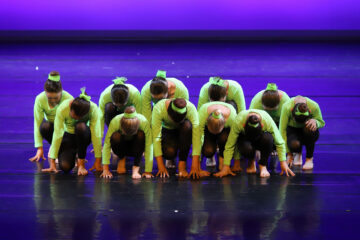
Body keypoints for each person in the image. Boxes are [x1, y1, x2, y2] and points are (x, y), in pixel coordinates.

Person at [215, 109, 295, 178]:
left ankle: (263, 165)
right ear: (243, 125)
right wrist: (226, 166)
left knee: (268, 138)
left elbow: (279, 142)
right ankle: (251, 161)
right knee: (246, 148)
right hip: (246, 139)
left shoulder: (267, 121)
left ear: (262, 125)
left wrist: (283, 163)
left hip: (260, 139)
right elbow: (230, 145)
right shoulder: (239, 121)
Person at [42, 88, 102, 175]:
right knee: (65, 167)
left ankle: (80, 158)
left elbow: (96, 135)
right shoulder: (63, 108)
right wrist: (52, 163)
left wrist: (97, 161)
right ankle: (68, 153)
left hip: (83, 136)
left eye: (79, 117)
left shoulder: (93, 109)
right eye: (74, 116)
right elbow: (57, 134)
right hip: (68, 136)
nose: (76, 119)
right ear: (70, 106)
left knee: (80, 126)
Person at [29, 71, 73, 171]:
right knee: (44, 126)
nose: (53, 101)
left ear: (61, 92)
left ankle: (69, 151)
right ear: (45, 93)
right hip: (53, 130)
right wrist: (39, 148)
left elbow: (73, 125)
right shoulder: (40, 99)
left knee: (66, 166)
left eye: (56, 98)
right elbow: (37, 123)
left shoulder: (69, 99)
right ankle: (57, 149)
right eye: (49, 98)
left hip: (67, 131)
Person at [151, 98, 200, 178]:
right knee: (169, 153)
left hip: (183, 132)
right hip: (168, 131)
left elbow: (196, 137)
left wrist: (195, 167)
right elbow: (156, 138)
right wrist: (161, 167)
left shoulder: (191, 108)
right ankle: (170, 157)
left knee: (187, 126)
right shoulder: (158, 108)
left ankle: (182, 163)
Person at [100, 106, 153, 179]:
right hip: (121, 146)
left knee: (141, 135)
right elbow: (107, 144)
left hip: (136, 147)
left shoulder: (143, 122)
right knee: (115, 136)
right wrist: (105, 170)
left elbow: (149, 145)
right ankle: (121, 158)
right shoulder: (116, 121)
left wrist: (148, 171)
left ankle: (136, 167)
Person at [190, 101, 239, 179]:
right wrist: (196, 166)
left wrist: (226, 167)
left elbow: (232, 143)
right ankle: (211, 155)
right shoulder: (202, 114)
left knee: (224, 138)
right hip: (208, 132)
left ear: (225, 122)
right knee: (208, 151)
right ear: (207, 119)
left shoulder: (232, 118)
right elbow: (198, 139)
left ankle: (222, 161)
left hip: (224, 132)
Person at [249, 83, 290, 173]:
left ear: (279, 102)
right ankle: (260, 147)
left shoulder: (286, 101)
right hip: (262, 124)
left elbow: (285, 127)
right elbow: (251, 126)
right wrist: (255, 148)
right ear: (262, 103)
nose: (270, 111)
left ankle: (274, 148)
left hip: (278, 123)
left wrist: (285, 153)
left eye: (273, 110)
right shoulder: (256, 101)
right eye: (267, 109)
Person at [279, 96, 325, 170]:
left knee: (310, 128)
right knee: (294, 143)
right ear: (291, 110)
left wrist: (316, 122)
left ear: (309, 112)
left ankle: (309, 159)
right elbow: (282, 130)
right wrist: (289, 153)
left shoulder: (314, 106)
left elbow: (322, 122)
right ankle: (296, 152)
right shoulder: (287, 107)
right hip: (293, 130)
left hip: (307, 131)